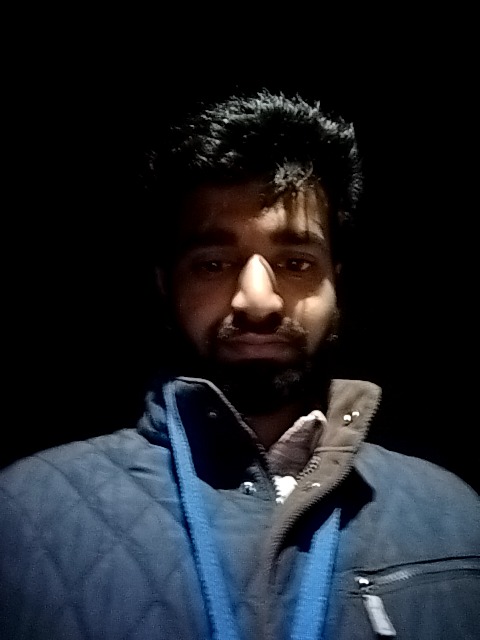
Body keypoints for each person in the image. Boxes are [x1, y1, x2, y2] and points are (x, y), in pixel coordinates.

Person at [1, 90, 478, 640]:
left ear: (336, 285)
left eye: (295, 262)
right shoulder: (22, 511)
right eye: (213, 264)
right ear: (166, 286)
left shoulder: (457, 515)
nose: (258, 299)